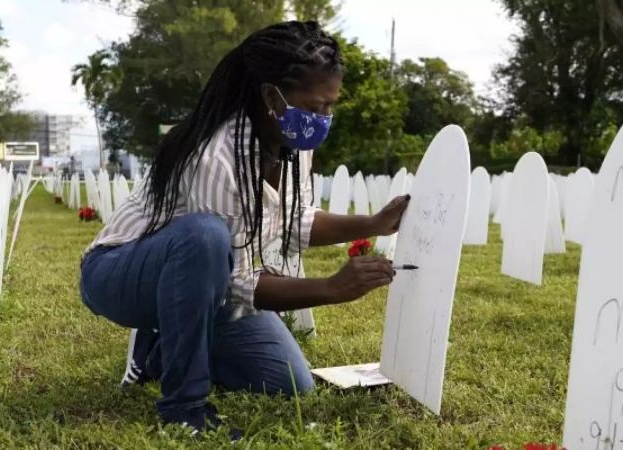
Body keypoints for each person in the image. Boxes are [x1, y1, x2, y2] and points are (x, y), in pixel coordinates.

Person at [78, 21, 410, 438]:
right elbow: (236, 283)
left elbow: (295, 220)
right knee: (204, 235)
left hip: (205, 282)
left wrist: (373, 223)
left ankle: (157, 352)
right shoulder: (215, 155)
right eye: (317, 107)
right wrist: (330, 288)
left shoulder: (292, 147)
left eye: (331, 106)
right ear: (272, 96)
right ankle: (184, 407)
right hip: (122, 273)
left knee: (288, 381)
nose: (325, 118)